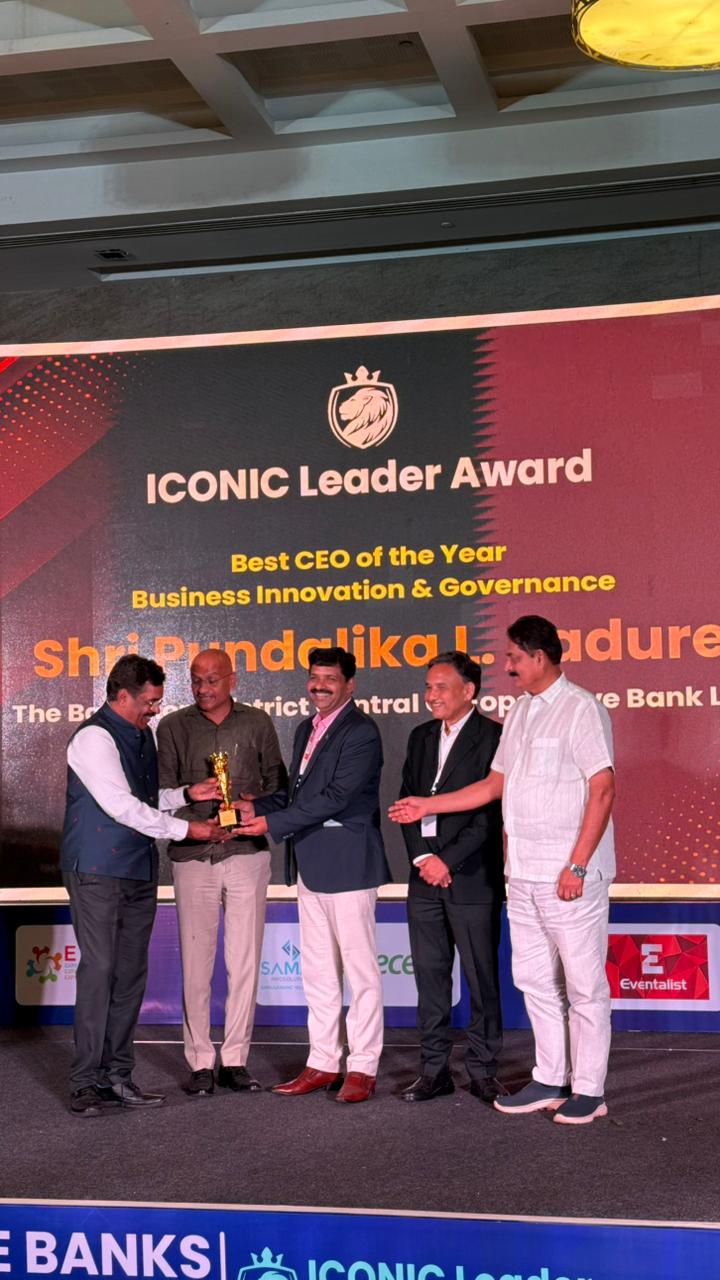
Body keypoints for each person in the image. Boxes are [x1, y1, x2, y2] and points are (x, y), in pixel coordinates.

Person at [390, 616, 616, 1126]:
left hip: (571, 874)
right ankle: (550, 1078)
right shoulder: (520, 712)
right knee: (535, 981)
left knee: (584, 986)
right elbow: (494, 786)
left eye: (514, 657)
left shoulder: (582, 708)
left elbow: (602, 789)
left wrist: (578, 863)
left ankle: (589, 1089)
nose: (507, 667)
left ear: (539, 656)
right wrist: (427, 805)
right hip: (525, 874)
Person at [60, 654, 227, 1117]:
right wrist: (188, 829)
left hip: (137, 868)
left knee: (131, 975)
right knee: (100, 971)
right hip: (96, 869)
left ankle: (117, 1076)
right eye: (149, 702)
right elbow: (120, 806)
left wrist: (187, 795)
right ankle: (84, 1082)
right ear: (122, 695)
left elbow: (146, 800)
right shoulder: (93, 738)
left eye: (156, 703)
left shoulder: (142, 734)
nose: (154, 710)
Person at [240, 647, 391, 1104]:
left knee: (361, 974)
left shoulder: (361, 731)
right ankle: (323, 1061)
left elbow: (337, 797)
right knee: (319, 972)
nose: (319, 686)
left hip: (349, 865)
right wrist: (257, 806)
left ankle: (362, 1067)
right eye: (314, 677)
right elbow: (299, 794)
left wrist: (272, 824)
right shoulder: (308, 727)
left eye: (330, 679)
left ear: (350, 685)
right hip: (310, 864)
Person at [157, 649, 287, 1097]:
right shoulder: (172, 727)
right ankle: (199, 1061)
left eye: (212, 680)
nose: (203, 688)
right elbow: (160, 795)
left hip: (246, 852)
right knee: (195, 964)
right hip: (193, 855)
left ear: (232, 679)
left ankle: (235, 1059)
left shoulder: (257, 723)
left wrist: (252, 807)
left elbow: (279, 790)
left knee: (244, 961)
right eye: (196, 680)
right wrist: (196, 818)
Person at [398, 651, 506, 1106]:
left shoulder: (494, 737)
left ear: (469, 690)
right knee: (430, 979)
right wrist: (424, 858)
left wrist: (448, 861)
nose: (431, 695)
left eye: (441, 687)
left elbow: (490, 813)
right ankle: (433, 1070)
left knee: (482, 980)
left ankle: (483, 1070)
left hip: (473, 877)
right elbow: (406, 802)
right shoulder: (420, 736)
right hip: (424, 877)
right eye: (428, 687)